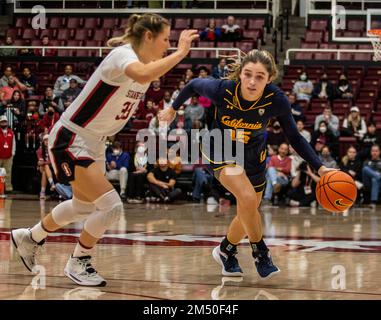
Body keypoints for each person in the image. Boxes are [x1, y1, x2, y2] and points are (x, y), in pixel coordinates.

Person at [11, 13, 199, 287]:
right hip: (73, 137)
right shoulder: (121, 56)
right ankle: (79, 261)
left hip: (94, 140)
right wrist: (182, 52)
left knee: (83, 206)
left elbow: (150, 70)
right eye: (165, 39)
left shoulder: (143, 65)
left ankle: (30, 237)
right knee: (111, 207)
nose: (168, 45)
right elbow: (146, 72)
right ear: (148, 37)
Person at [158, 49, 334, 279]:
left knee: (248, 210)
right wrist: (173, 107)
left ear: (269, 78)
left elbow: (295, 137)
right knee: (248, 198)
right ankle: (260, 252)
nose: (252, 81)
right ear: (240, 74)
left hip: (253, 154)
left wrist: (320, 166)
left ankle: (226, 250)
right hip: (220, 147)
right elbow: (192, 84)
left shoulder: (276, 100)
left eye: (259, 76)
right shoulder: (223, 90)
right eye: (248, 74)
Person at [36, 134, 56, 199]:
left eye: (48, 140)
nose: (47, 142)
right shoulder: (40, 150)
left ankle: (42, 192)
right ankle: (52, 184)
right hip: (43, 167)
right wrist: (41, 163)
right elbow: (39, 162)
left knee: (45, 171)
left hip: (52, 167)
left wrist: (44, 163)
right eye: (45, 140)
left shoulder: (53, 149)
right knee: (45, 167)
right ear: (43, 142)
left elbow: (53, 161)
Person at [362, 144, 381, 209]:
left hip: (379, 185)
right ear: (370, 152)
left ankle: (373, 202)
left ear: (379, 152)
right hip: (368, 184)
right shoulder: (366, 162)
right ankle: (378, 177)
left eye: (376, 151)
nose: (374, 153)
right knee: (365, 169)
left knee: (374, 180)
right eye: (373, 151)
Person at [0, 115, 15, 192]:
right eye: (2, 122)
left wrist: (13, 154)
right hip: (0, 155)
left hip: (9, 156)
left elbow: (14, 143)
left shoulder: (11, 133)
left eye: (4, 122)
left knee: (8, 172)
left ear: (7, 122)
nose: (3, 123)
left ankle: (8, 188)